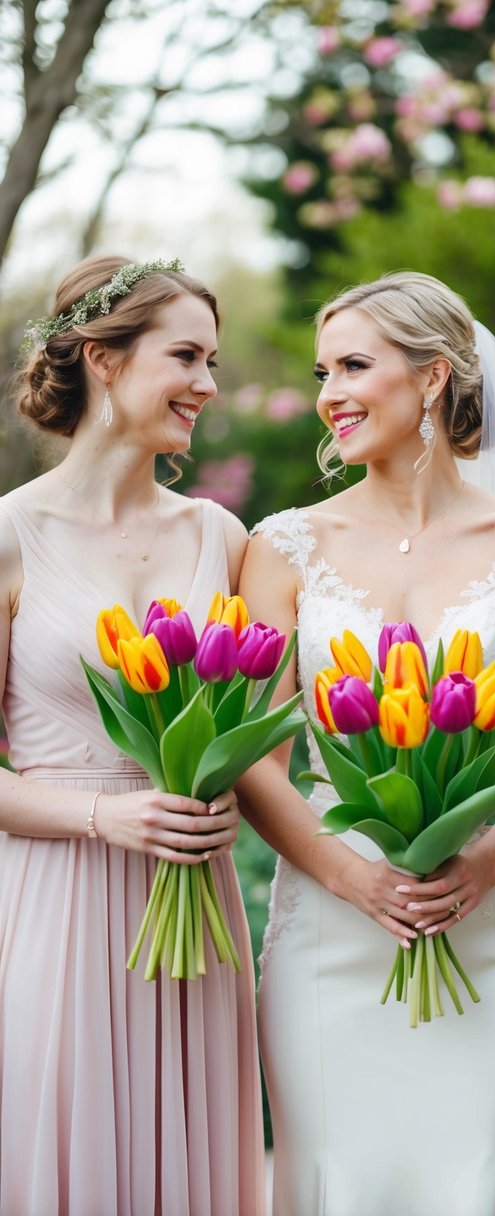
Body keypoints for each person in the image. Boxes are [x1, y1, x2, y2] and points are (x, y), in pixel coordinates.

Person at [236, 270, 495, 1216]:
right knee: (336, 1178)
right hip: (330, 919)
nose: (330, 394)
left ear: (431, 378)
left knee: (483, 1176)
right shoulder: (281, 547)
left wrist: (485, 865)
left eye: (355, 365)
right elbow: (256, 761)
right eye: (322, 371)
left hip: (492, 918)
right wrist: (349, 878)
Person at [0, 255, 265, 1215]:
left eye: (212, 361)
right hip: (55, 904)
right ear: (104, 362)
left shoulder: (221, 541)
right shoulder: (10, 536)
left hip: (195, 905)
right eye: (186, 356)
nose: (206, 384)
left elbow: (259, 736)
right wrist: (109, 817)